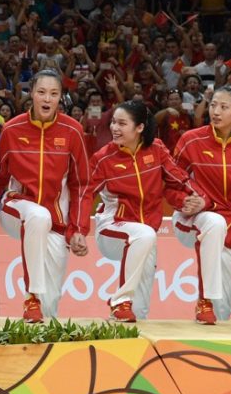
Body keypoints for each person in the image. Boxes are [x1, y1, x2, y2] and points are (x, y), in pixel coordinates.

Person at [82, 100, 204, 322]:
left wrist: (198, 197)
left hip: (144, 238)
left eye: (122, 123)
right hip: (111, 230)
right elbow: (85, 194)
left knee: (140, 309)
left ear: (139, 127)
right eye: (113, 123)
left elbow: (178, 176)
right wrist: (78, 230)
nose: (114, 128)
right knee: (145, 234)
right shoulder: (103, 158)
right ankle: (119, 301)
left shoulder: (156, 149)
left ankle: (130, 327)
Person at [0, 68, 92, 322]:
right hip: (16, 207)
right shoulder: (12, 129)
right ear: (31, 94)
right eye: (41, 93)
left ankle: (41, 329)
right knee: (37, 215)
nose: (47, 99)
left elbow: (81, 184)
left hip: (56, 222)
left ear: (61, 97)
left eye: (53, 94)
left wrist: (79, 228)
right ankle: (32, 298)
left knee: (51, 301)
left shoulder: (72, 131)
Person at [171, 84, 231, 324]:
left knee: (222, 312)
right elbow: (170, 180)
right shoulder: (191, 140)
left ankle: (213, 312)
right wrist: (184, 201)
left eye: (224, 106)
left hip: (230, 234)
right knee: (213, 221)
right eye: (213, 105)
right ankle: (205, 300)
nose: (216, 111)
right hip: (192, 220)